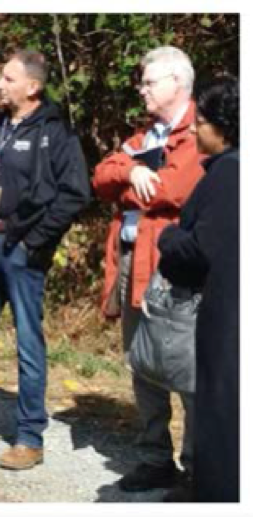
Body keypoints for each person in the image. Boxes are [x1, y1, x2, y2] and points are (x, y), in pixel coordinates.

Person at [93, 46, 205, 497]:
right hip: (131, 265)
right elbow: (101, 177)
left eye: (150, 82)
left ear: (178, 83)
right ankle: (155, 457)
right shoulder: (144, 136)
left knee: (186, 369)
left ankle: (198, 465)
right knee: (142, 365)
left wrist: (131, 185)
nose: (141, 89)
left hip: (173, 273)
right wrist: (132, 169)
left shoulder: (198, 131)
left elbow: (175, 190)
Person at [0, 49, 90, 470]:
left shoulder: (56, 131)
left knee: (28, 342)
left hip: (23, 253)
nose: (0, 84)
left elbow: (75, 192)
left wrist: (36, 242)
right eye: (0, 77)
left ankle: (29, 436)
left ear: (33, 86)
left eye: (8, 78)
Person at [156, 75, 239, 503]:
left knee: (224, 416)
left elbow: (201, 249)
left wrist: (167, 237)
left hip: (228, 320)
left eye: (201, 120)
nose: (192, 129)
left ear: (223, 126)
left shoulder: (229, 174)